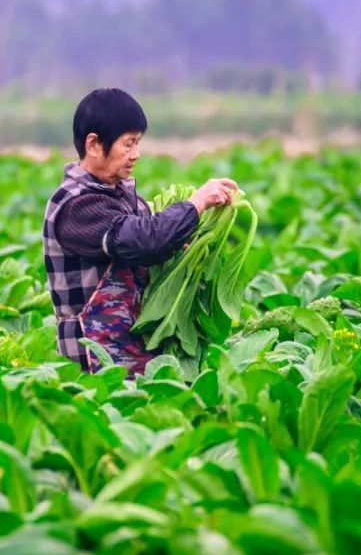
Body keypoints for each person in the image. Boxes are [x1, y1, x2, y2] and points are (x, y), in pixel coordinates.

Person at [42, 88, 239, 375]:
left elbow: (153, 244)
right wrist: (196, 203)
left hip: (131, 355)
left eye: (138, 143)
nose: (136, 154)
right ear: (94, 145)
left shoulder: (120, 195)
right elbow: (145, 239)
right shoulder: (76, 205)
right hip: (96, 365)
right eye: (128, 144)